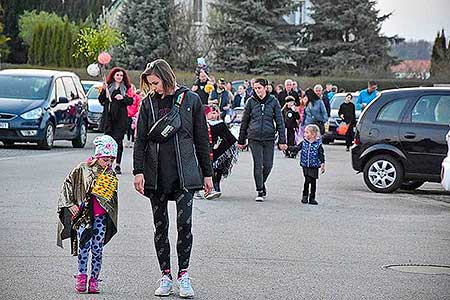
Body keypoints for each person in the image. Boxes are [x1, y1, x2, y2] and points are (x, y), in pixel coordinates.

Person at [133, 59, 213, 298]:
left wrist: (208, 174)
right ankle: (166, 275)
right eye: (150, 84)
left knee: (184, 225)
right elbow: (140, 140)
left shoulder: (191, 100)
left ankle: (184, 275)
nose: (153, 88)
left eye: (155, 83)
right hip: (155, 174)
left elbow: (202, 139)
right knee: (160, 226)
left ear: (166, 77)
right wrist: (138, 171)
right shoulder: (147, 103)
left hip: (185, 173)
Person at [57, 135, 119, 294]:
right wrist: (70, 204)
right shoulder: (82, 169)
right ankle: (81, 276)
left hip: (101, 219)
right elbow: (68, 185)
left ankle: (94, 280)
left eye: (112, 159)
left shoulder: (110, 174)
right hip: (84, 217)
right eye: (106, 159)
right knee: (84, 247)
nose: (109, 163)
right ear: (98, 156)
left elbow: (112, 199)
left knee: (97, 249)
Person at [237, 78, 287, 202]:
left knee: (268, 165)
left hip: (269, 137)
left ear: (265, 88)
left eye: (259, 88)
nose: (257, 90)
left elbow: (280, 122)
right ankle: (259, 190)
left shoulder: (273, 101)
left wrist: (282, 140)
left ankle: (262, 183)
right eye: (255, 88)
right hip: (254, 137)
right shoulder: (250, 102)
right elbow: (244, 122)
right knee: (258, 165)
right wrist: (241, 140)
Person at [98, 67, 134, 174]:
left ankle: (117, 164)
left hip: (121, 119)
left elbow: (131, 101)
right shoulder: (108, 87)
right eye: (117, 75)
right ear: (113, 76)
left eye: (121, 75)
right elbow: (101, 100)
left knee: (118, 142)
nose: (119, 77)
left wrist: (122, 98)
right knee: (108, 142)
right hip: (109, 119)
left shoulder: (127, 88)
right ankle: (107, 164)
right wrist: (104, 90)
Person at [205, 105, 239, 200]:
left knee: (219, 167)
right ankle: (208, 187)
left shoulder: (220, 124)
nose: (213, 115)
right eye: (211, 113)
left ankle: (216, 184)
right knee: (208, 169)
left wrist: (234, 143)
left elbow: (228, 137)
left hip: (219, 149)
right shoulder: (203, 124)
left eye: (215, 113)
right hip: (206, 149)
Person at [288, 124, 325, 205]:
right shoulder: (303, 143)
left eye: (307, 132)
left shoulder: (318, 145)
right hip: (305, 165)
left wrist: (322, 164)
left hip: (314, 166)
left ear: (313, 134)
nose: (304, 134)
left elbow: (321, 155)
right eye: (305, 132)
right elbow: (296, 148)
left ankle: (312, 198)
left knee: (313, 182)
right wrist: (288, 148)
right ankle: (304, 196)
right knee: (307, 180)